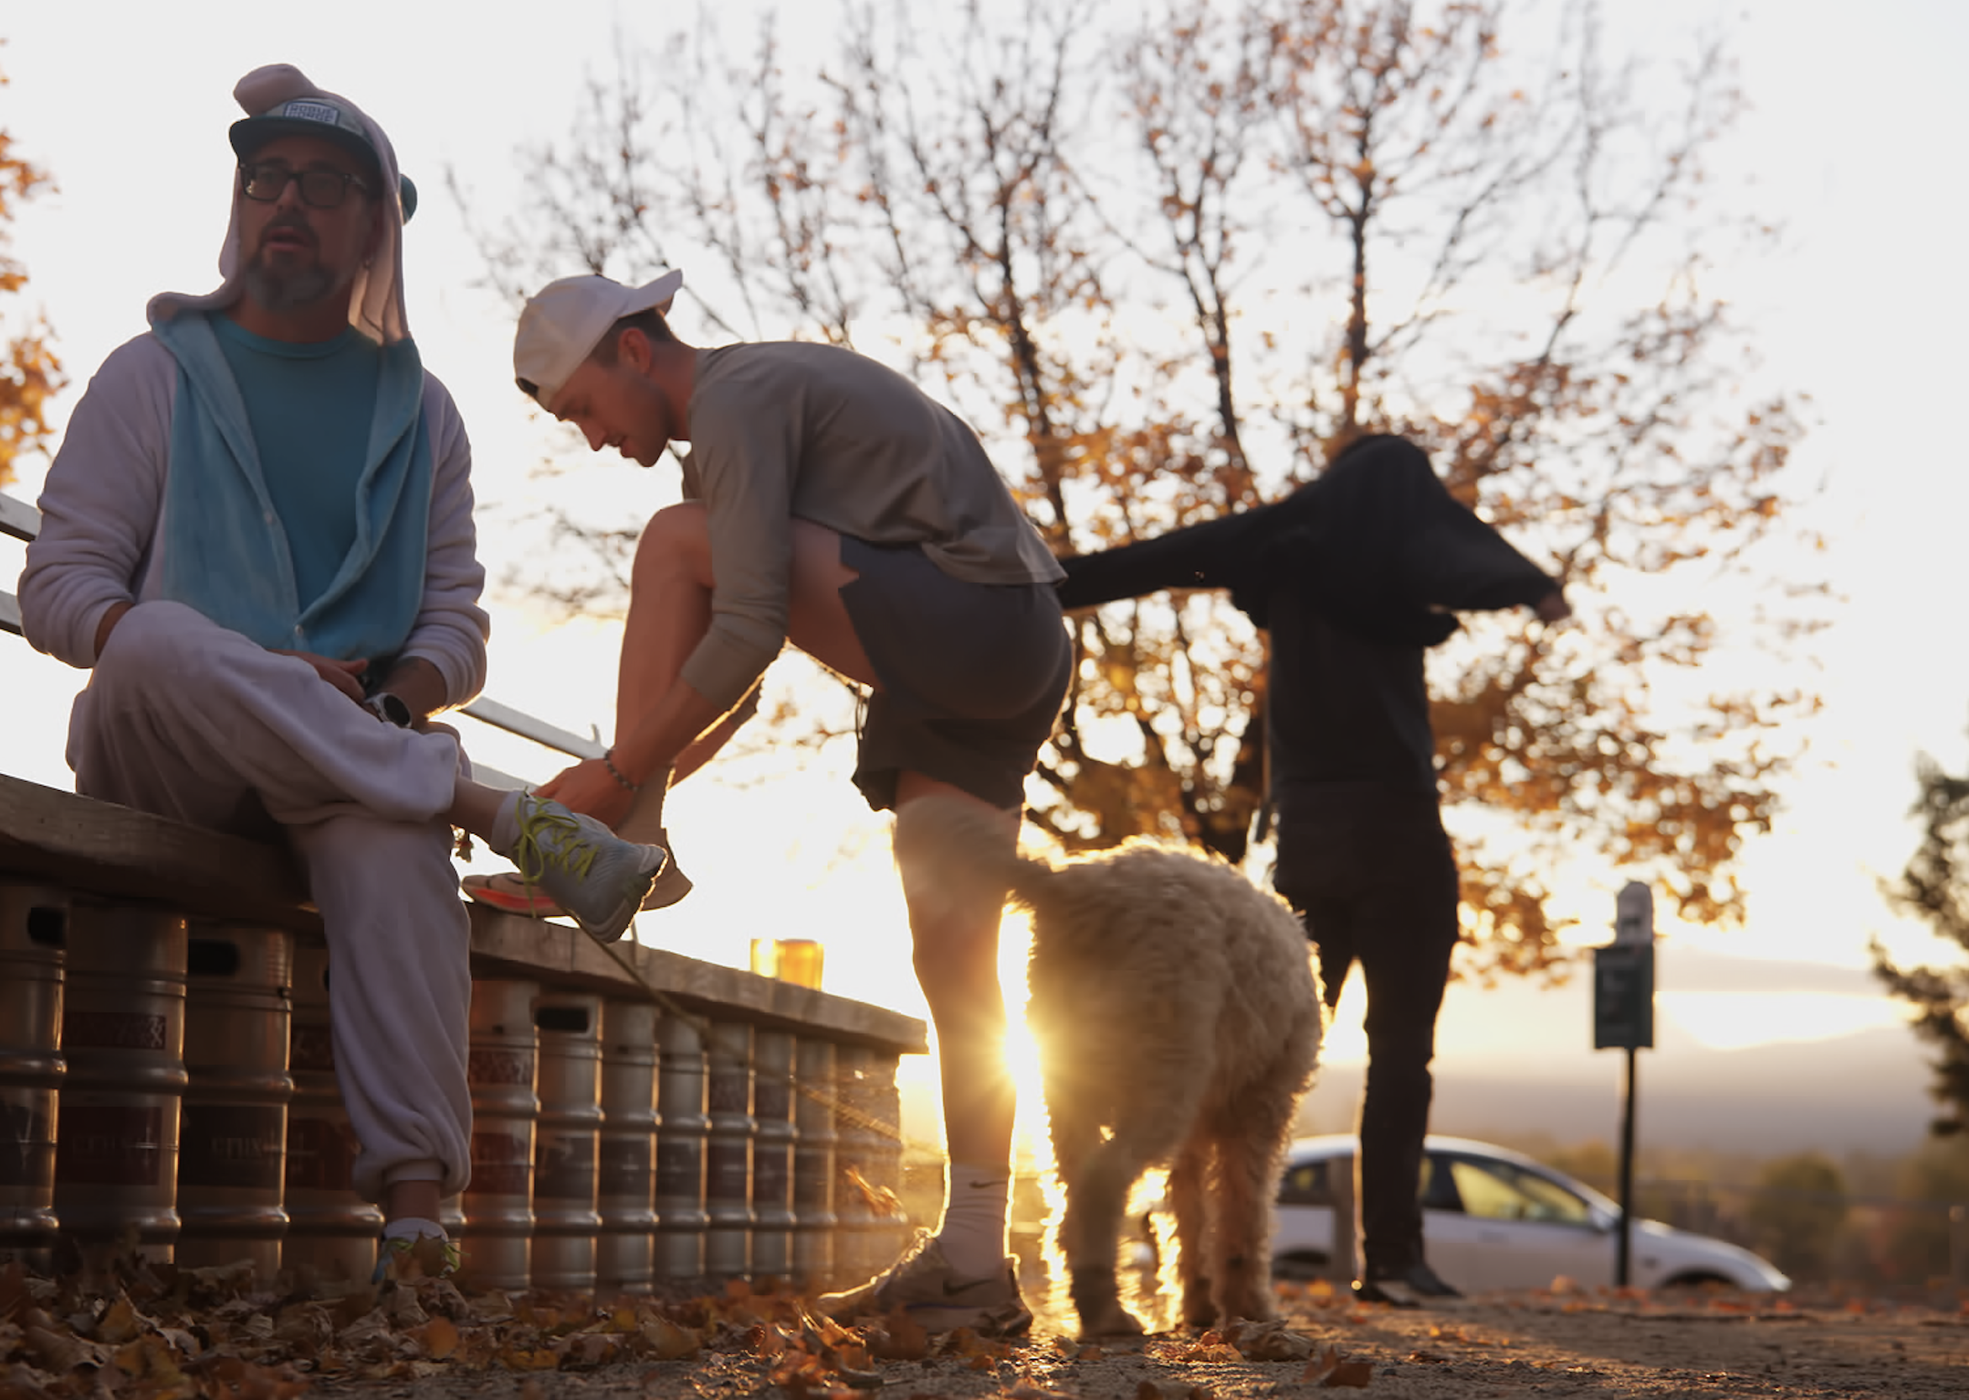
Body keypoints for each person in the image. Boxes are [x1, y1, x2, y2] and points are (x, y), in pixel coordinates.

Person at [16, 65, 665, 1275]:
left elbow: (453, 630)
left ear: (379, 226)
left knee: (387, 834)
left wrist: (379, 704)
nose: (285, 202)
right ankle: (489, 806)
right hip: (162, 739)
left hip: (346, 762)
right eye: (265, 177)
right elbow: (61, 591)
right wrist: (271, 675)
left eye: (323, 183)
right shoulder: (150, 374)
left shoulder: (422, 416)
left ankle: (416, 1226)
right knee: (155, 635)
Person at [506, 270, 1071, 1333]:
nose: (587, 437)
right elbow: (750, 664)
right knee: (953, 963)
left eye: (580, 407)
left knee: (675, 540)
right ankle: (974, 1259)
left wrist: (619, 773)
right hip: (1006, 647)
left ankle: (616, 839)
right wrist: (652, 761)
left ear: (634, 351)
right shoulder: (753, 410)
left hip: (967, 620)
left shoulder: (734, 399)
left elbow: (750, 624)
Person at [1053, 432, 1570, 1307]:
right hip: (1404, 840)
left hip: (1312, 844)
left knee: (1247, 1057)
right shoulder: (1409, 560)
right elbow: (1464, 549)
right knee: (1403, 1056)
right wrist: (1535, 587)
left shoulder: (1286, 554)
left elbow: (1167, 556)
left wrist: (1049, 583)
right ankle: (1395, 1261)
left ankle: (1204, 1267)